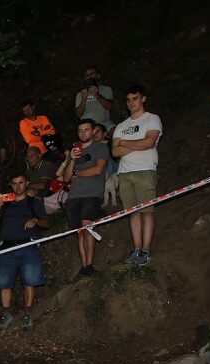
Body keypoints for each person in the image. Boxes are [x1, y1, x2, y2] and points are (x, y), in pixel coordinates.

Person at [0, 175, 49, 331]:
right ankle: (6, 314)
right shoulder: (6, 204)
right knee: (4, 283)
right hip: (7, 248)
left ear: (27, 183)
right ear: (11, 186)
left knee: (30, 281)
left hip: (28, 245)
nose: (18, 186)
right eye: (14, 183)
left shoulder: (33, 203)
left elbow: (46, 222)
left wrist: (36, 221)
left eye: (21, 183)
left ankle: (27, 314)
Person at [112, 85, 163, 266]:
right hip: (125, 173)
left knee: (147, 212)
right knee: (132, 213)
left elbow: (149, 142)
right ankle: (136, 248)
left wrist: (125, 142)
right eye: (128, 99)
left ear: (143, 99)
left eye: (134, 98)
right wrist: (136, 143)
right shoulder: (121, 125)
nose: (131, 102)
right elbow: (115, 151)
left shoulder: (152, 119)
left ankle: (147, 250)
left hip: (145, 169)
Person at [59, 118, 111, 277]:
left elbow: (97, 170)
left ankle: (90, 264)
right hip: (74, 196)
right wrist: (72, 161)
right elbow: (66, 178)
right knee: (80, 232)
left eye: (87, 130)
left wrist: (76, 173)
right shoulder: (75, 150)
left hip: (92, 193)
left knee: (88, 227)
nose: (83, 133)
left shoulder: (101, 148)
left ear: (93, 131)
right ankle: (83, 266)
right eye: (80, 131)